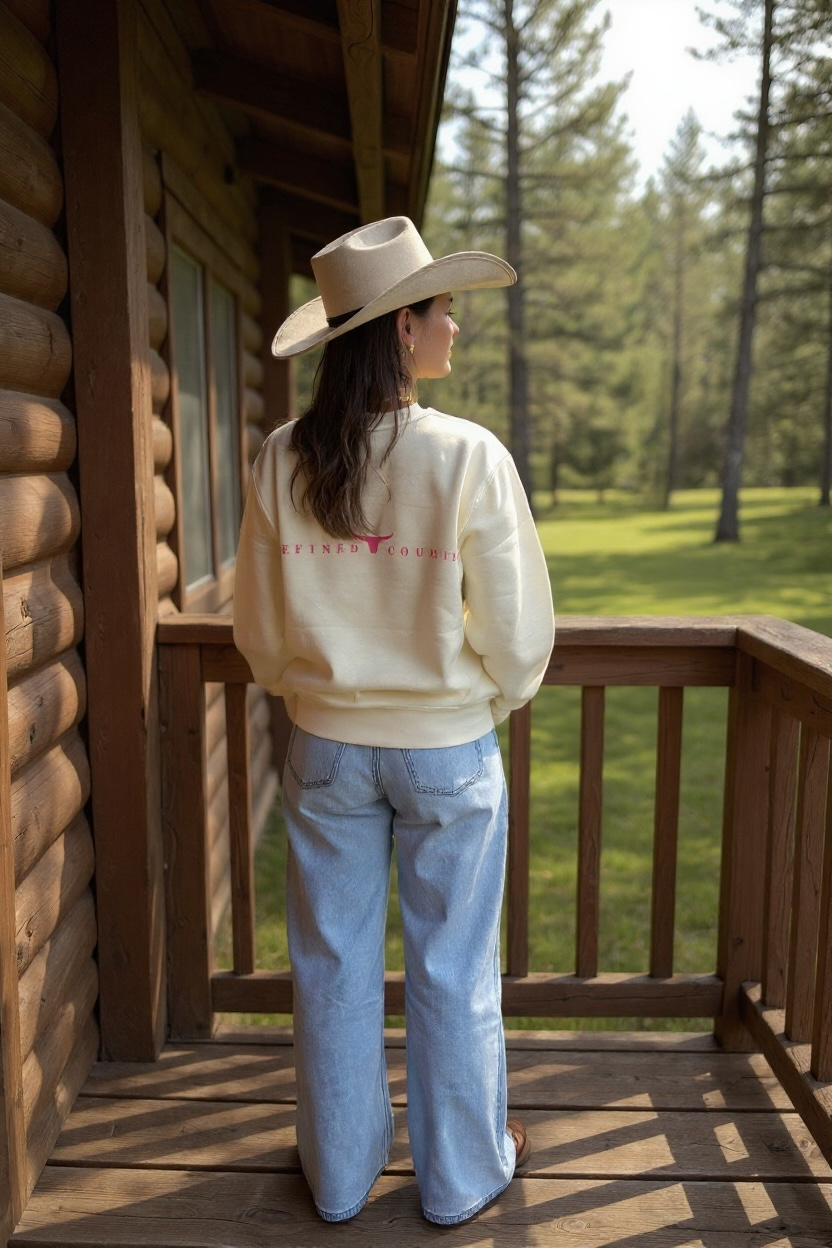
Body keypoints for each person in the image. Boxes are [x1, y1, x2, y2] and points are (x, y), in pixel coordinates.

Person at [233, 216, 554, 1225]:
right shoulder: (466, 455)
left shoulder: (282, 456)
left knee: (330, 968)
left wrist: (311, 689)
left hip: (323, 745)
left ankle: (336, 1178)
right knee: (453, 973)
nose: (455, 323)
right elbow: (516, 632)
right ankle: (460, 1180)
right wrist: (486, 695)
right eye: (443, 307)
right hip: (447, 749)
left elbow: (259, 629)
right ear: (401, 329)